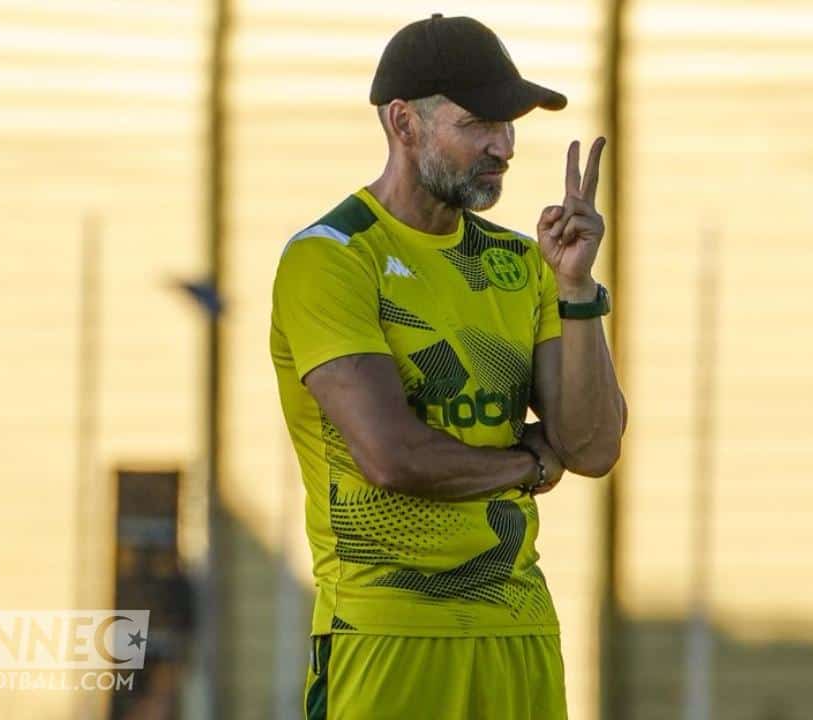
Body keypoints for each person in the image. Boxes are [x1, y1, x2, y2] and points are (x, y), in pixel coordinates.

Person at [269, 14, 627, 720]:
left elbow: (592, 447)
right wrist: (530, 464)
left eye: (509, 125)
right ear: (403, 122)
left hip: (520, 631)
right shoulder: (333, 257)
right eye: (478, 124)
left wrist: (577, 290)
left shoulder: (520, 262)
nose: (504, 147)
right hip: (385, 636)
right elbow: (392, 456)